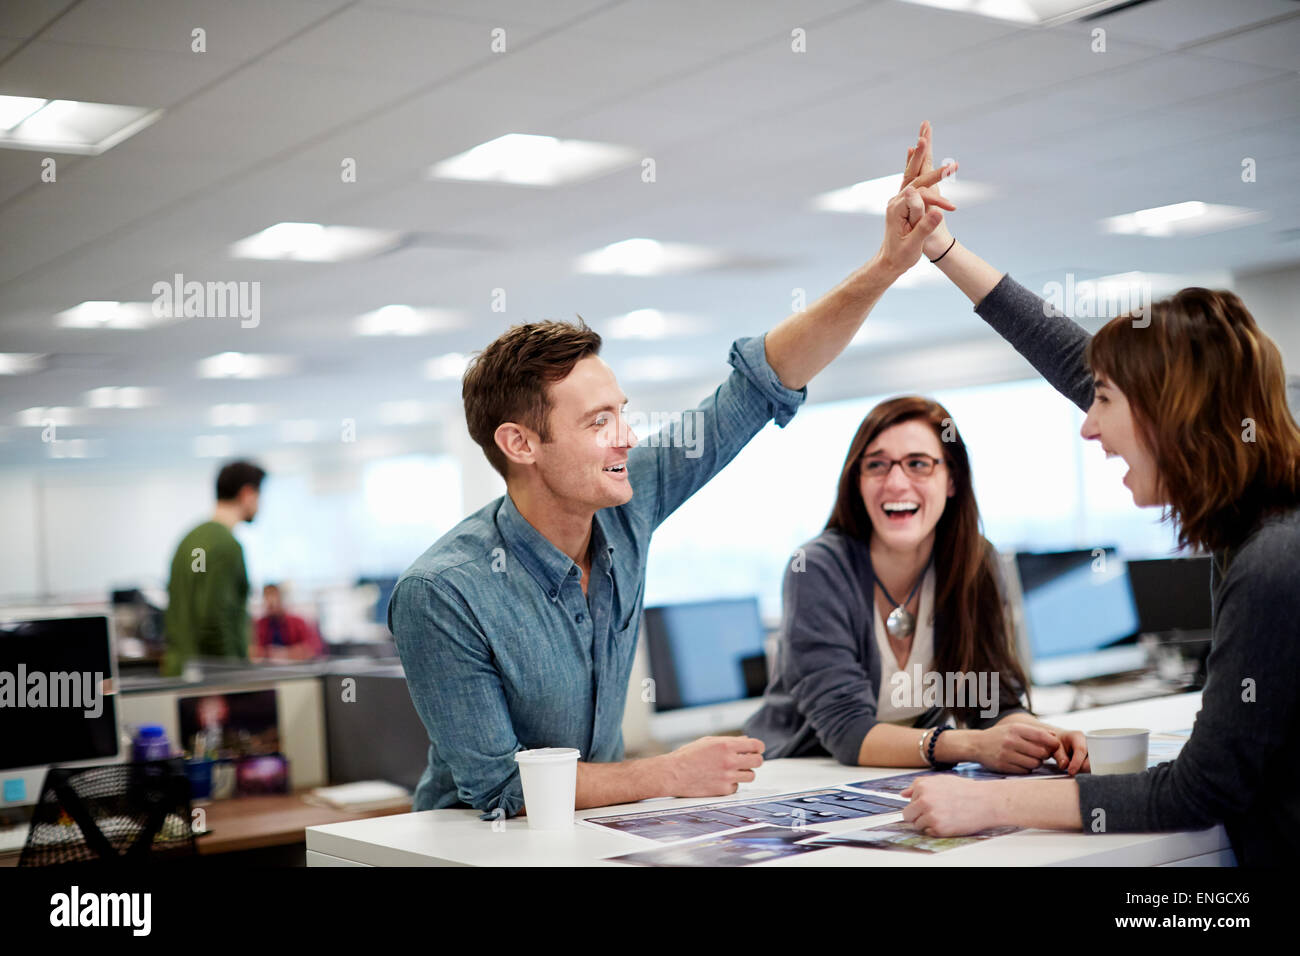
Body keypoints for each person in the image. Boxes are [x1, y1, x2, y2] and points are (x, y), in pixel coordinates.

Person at [389, 134, 956, 818]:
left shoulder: (624, 506)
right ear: (520, 443)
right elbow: (504, 789)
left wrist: (888, 264)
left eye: (621, 414)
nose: (627, 436)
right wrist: (668, 772)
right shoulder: (443, 593)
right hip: (468, 852)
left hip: (587, 833)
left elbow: (761, 385)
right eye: (599, 421)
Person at [896, 122, 1300, 867]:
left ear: (1169, 417)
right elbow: (1068, 355)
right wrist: (939, 249)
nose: (1088, 426)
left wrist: (987, 801)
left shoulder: (1274, 559)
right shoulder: (1263, 523)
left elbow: (1198, 791)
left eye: (1107, 400)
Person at [745, 395, 1086, 773]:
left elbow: (993, 705)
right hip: (798, 779)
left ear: (952, 479)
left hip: (900, 775)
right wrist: (970, 744)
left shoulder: (976, 562)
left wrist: (1047, 738)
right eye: (876, 465)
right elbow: (846, 730)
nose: (895, 482)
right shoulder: (817, 568)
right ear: (858, 481)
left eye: (918, 464)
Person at [162, 460, 265, 677]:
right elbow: (214, 620)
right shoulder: (226, 545)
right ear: (247, 494)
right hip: (211, 679)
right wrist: (233, 677)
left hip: (179, 671)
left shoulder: (191, 541)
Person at [252, 583, 324, 662]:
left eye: (273, 597)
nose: (270, 602)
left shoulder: (298, 622)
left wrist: (284, 653)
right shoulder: (261, 624)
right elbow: (254, 651)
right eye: (266, 597)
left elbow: (312, 648)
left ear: (281, 599)